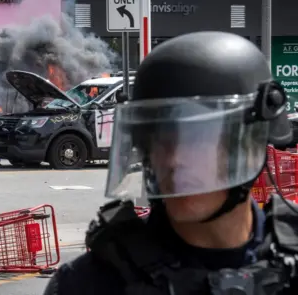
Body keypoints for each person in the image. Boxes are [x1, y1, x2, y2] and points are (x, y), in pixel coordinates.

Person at [43, 31, 298, 295]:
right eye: (159, 141)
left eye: (196, 140)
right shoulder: (90, 284)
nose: (173, 160)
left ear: (250, 143)